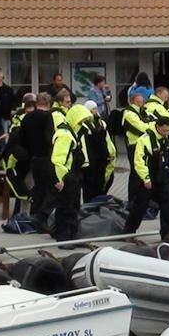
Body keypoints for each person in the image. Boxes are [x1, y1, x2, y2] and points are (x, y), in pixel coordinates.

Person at [124, 115, 169, 241]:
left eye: (168, 130)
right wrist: (146, 179)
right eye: (164, 130)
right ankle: (128, 232)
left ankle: (167, 233)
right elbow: (139, 161)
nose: (166, 133)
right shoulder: (144, 140)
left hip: (164, 175)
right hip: (147, 175)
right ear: (158, 127)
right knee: (140, 206)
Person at [48, 104, 92, 242]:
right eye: (81, 121)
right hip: (67, 177)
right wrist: (60, 179)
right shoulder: (65, 135)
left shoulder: (73, 133)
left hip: (74, 175)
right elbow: (58, 159)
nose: (82, 124)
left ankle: (71, 234)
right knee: (66, 207)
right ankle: (63, 236)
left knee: (73, 206)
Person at [20, 91, 55, 218]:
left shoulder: (27, 117)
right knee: (47, 188)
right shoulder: (47, 117)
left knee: (37, 188)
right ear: (48, 103)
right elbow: (49, 137)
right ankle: (43, 216)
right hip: (45, 157)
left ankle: (34, 215)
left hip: (32, 158)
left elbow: (22, 138)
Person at [80, 100, 117, 202]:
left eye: (95, 109)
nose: (95, 111)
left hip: (102, 160)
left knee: (101, 184)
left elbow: (107, 141)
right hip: (90, 160)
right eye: (92, 109)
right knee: (89, 186)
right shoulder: (84, 125)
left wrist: (110, 154)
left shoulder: (101, 123)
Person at [121, 90, 152, 202]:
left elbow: (153, 122)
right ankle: (133, 199)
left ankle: (142, 198)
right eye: (138, 102)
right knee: (135, 172)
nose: (141, 104)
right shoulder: (129, 113)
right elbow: (142, 128)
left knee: (143, 172)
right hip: (134, 145)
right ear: (133, 102)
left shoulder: (143, 112)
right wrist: (150, 126)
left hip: (143, 145)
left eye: (142, 102)